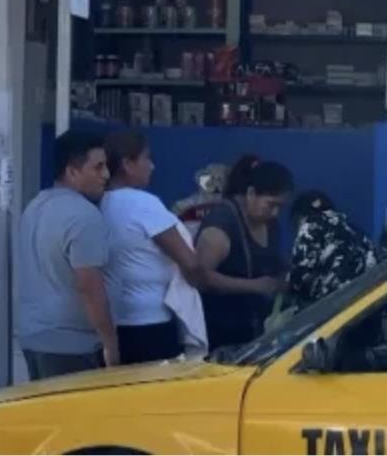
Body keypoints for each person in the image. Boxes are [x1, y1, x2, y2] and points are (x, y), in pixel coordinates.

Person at [15, 130, 119, 380]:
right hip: (73, 347)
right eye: (98, 167)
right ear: (72, 172)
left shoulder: (35, 207)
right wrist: (110, 345)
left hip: (35, 338)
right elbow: (89, 285)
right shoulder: (83, 216)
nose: (106, 175)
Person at [101, 131, 207, 365]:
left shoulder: (99, 202)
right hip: (152, 323)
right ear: (127, 164)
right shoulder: (143, 204)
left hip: (114, 321)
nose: (152, 166)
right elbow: (190, 262)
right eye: (146, 158)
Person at [194, 155, 292, 352]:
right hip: (220, 335)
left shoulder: (271, 223)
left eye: (280, 207)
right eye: (270, 204)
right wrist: (255, 286)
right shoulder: (221, 226)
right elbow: (200, 278)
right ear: (251, 193)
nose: (275, 213)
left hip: (256, 332)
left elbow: (270, 262)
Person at [288, 191, 385, 309]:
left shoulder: (310, 225)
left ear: (299, 217)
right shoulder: (353, 230)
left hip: (334, 308)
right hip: (365, 304)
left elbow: (299, 275)